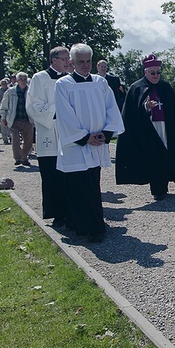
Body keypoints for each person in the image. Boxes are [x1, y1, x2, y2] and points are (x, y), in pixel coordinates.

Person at [55, 43, 124, 242]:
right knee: (78, 186)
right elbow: (64, 115)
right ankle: (81, 226)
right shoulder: (63, 85)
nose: (85, 65)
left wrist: (105, 133)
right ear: (72, 62)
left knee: (93, 184)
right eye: (81, 62)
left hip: (98, 142)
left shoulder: (100, 83)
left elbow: (111, 108)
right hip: (77, 145)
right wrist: (85, 137)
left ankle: (95, 225)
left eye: (88, 61)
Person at [116, 54, 175, 200]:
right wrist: (146, 107)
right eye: (153, 73)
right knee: (154, 156)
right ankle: (157, 189)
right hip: (147, 129)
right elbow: (132, 113)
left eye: (158, 72)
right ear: (146, 72)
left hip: (164, 127)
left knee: (165, 153)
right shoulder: (136, 88)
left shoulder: (165, 87)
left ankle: (163, 185)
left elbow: (172, 110)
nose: (156, 76)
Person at [26, 46, 71, 228]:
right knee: (52, 174)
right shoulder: (40, 78)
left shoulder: (70, 79)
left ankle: (71, 210)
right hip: (50, 132)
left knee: (69, 174)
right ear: (53, 60)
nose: (68, 61)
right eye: (64, 58)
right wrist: (58, 109)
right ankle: (57, 213)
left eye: (69, 58)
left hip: (68, 132)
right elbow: (33, 106)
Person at [0, 72, 34, 166]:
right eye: (21, 79)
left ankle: (24, 157)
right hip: (14, 119)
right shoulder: (10, 92)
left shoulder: (31, 91)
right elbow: (4, 106)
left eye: (25, 79)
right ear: (17, 80)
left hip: (28, 119)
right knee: (15, 139)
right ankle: (18, 158)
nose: (23, 81)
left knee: (28, 141)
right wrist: (3, 117)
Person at [0, 78, 11, 144]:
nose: (4, 85)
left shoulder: (11, 91)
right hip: (0, 110)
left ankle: (10, 136)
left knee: (10, 124)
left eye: (5, 83)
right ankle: (5, 139)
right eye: (2, 84)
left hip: (9, 110)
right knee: (3, 125)